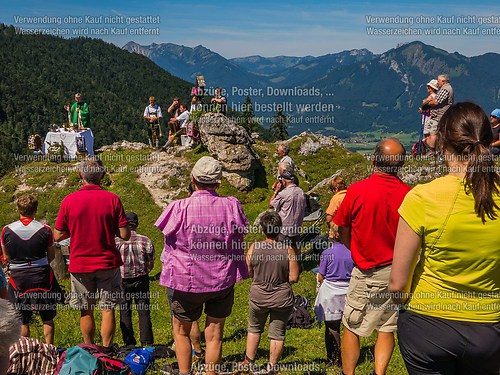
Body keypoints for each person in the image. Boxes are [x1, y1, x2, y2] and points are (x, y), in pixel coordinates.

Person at [390, 102, 500, 375]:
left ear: (441, 142)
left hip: (427, 325)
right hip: (488, 327)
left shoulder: (422, 197)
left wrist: (406, 309)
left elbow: (397, 284)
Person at [155, 156, 249, 375]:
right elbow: (240, 236)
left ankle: (186, 372)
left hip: (187, 281)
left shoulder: (179, 207)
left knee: (181, 332)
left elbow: (166, 237)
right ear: (218, 182)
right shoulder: (231, 205)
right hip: (221, 280)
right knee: (215, 334)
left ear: (193, 179)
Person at [334, 138, 411, 375]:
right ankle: (379, 373)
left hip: (367, 270)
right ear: (399, 165)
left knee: (351, 325)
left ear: (374, 159)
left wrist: (354, 249)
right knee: (387, 326)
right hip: (396, 272)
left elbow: (341, 228)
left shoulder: (357, 190)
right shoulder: (408, 194)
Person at [54, 156, 131, 350]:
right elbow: (125, 234)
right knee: (108, 308)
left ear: (80, 175)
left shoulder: (69, 201)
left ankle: (89, 349)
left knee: (85, 309)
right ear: (102, 175)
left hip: (80, 263)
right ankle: (106, 350)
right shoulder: (112, 199)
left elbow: (57, 235)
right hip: (107, 262)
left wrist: (74, 228)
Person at [240, 211, 299, 374]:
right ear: (279, 229)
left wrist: (256, 275)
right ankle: (272, 366)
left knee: (254, 328)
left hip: (258, 296)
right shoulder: (287, 250)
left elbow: (247, 271)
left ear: (263, 230)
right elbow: (294, 277)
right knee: (277, 333)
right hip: (281, 297)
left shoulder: (254, 247)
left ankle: (249, 361)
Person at [1, 194, 62, 345]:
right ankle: (50, 348)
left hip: (18, 278)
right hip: (41, 276)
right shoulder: (45, 229)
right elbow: (51, 255)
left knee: (23, 320)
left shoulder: (7, 230)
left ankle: (25, 350)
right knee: (47, 318)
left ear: (18, 209)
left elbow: (6, 256)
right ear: (36, 209)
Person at [313, 233, 354, 367]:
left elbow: (321, 276)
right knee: (350, 329)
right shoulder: (354, 252)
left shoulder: (327, 253)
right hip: (349, 293)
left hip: (331, 295)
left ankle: (333, 358)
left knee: (332, 329)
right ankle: (350, 358)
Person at [115, 212, 155, 347]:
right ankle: (147, 341)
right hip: (141, 278)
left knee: (124, 310)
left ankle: (129, 342)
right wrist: (146, 271)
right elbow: (151, 261)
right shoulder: (145, 240)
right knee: (143, 310)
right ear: (137, 224)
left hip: (121, 279)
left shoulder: (116, 241)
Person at [269, 161, 306, 250]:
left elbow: (271, 204)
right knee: (295, 251)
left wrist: (276, 191)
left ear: (284, 181)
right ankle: (297, 263)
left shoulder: (283, 193)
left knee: (283, 252)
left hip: (284, 230)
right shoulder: (301, 192)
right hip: (296, 228)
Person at [426, 74, 454, 150]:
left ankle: (431, 150)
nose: (437, 83)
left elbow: (436, 102)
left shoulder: (445, 89)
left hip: (439, 115)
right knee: (440, 133)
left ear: (443, 82)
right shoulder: (447, 88)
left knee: (433, 133)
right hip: (442, 115)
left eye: (438, 81)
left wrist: (427, 103)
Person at [418, 79, 439, 154]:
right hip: (430, 115)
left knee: (427, 134)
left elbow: (425, 102)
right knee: (429, 134)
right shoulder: (436, 96)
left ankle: (427, 150)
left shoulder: (431, 97)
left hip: (428, 117)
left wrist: (422, 109)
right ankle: (429, 149)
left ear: (432, 88)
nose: (427, 88)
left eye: (428, 87)